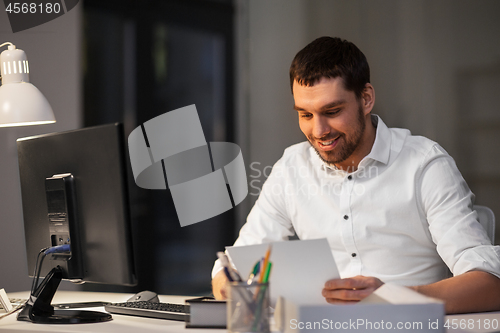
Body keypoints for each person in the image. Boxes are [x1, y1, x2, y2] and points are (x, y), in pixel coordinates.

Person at [211, 36, 500, 314]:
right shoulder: (291, 168)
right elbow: (229, 270)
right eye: (305, 115)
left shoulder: (425, 165)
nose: (319, 131)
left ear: (366, 98)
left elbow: (490, 284)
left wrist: (393, 297)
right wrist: (232, 286)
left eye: (332, 111)